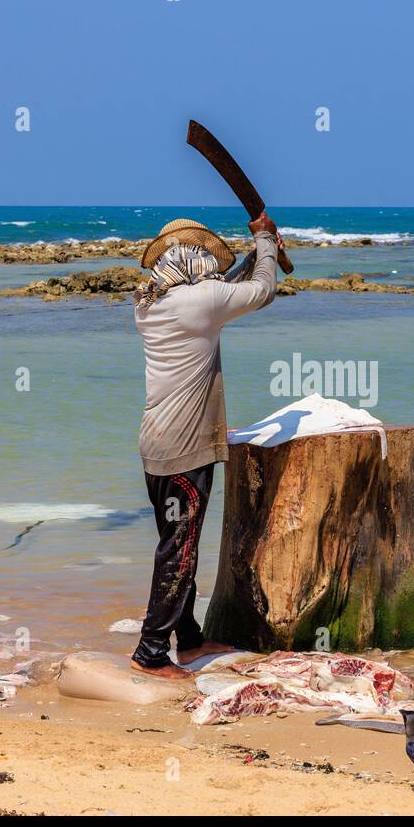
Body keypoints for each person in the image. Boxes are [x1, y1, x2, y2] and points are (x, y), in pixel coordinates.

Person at [129, 212, 283, 678]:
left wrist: (259, 253)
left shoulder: (151, 301)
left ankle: (190, 640)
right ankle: (151, 653)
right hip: (185, 448)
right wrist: (266, 244)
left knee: (179, 544)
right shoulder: (199, 302)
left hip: (158, 444)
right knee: (180, 551)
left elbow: (223, 291)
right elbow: (260, 292)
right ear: (196, 258)